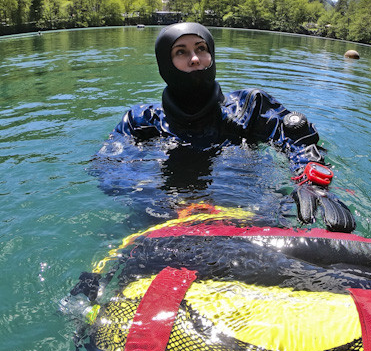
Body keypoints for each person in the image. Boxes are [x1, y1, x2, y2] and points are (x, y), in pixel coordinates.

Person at [99, 22, 355, 232]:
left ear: (212, 55)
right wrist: (162, 205)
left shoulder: (249, 106)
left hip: (247, 211)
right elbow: (111, 170)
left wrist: (310, 181)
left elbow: (297, 140)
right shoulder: (142, 120)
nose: (195, 59)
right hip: (166, 216)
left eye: (201, 48)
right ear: (165, 65)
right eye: (181, 52)